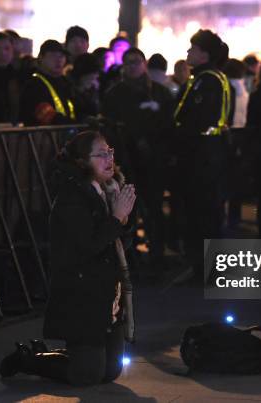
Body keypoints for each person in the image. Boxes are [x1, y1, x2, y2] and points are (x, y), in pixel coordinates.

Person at [0, 131, 136, 386]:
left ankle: (67, 356)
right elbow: (87, 246)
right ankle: (30, 359)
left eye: (110, 152)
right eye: (100, 155)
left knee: (110, 371)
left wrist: (123, 221)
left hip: (107, 294)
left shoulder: (108, 190)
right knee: (87, 374)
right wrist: (116, 219)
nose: (109, 159)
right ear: (82, 162)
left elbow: (119, 244)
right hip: (81, 295)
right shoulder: (72, 196)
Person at [102, 47, 175, 271]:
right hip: (126, 161)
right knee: (127, 212)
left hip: (154, 161)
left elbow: (169, 127)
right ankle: (129, 259)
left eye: (136, 61)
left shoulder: (161, 93)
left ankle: (157, 257)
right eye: (128, 62)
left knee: (154, 210)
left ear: (144, 64)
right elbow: (110, 127)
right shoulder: (114, 94)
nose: (132, 66)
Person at [174, 29, 232, 281]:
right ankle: (202, 267)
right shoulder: (205, 78)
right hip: (204, 153)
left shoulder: (208, 80)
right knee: (202, 211)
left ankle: (206, 270)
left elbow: (197, 119)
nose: (188, 52)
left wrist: (175, 134)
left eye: (193, 48)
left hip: (203, 154)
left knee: (203, 212)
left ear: (205, 54)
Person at [20, 40, 76, 126]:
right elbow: (46, 115)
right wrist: (76, 125)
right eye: (53, 56)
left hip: (66, 135)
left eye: (61, 56)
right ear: (41, 58)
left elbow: (77, 107)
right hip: (42, 137)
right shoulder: (34, 85)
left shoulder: (66, 83)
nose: (59, 60)